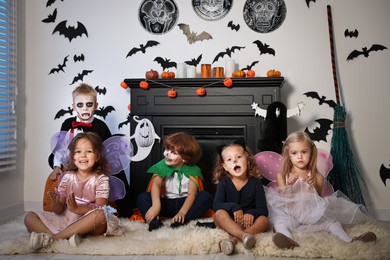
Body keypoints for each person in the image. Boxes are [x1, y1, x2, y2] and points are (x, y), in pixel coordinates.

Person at [266, 131, 377, 250]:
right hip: (290, 214)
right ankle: (289, 240)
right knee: (279, 224)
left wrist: (313, 185)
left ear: (311, 152)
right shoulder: (282, 175)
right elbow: (284, 198)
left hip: (310, 214)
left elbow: (317, 198)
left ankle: (349, 239)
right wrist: (289, 185)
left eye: (304, 152)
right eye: (294, 153)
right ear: (288, 154)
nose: (299, 156)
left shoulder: (317, 176)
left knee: (333, 222)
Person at [45, 83, 132, 217]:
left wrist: (98, 167)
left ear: (96, 106)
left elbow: (107, 151)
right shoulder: (68, 124)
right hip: (72, 162)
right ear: (73, 107)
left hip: (94, 164)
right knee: (61, 177)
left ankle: (122, 210)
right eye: (80, 105)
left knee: (113, 176)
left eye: (89, 105)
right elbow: (61, 148)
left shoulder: (100, 126)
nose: (85, 108)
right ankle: (64, 210)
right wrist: (57, 166)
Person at [25, 132, 123, 251]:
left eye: (89, 151)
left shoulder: (101, 179)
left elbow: (100, 207)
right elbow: (59, 209)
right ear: (73, 157)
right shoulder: (67, 177)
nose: (83, 155)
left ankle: (55, 237)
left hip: (89, 221)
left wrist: (77, 209)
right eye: (78, 152)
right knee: (29, 217)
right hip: (67, 219)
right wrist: (55, 204)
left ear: (97, 156)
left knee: (101, 215)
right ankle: (65, 236)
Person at [136, 131, 213, 231]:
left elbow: (192, 194)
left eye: (173, 152)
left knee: (205, 196)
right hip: (165, 204)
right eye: (167, 149)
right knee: (142, 197)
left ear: (184, 158)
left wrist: (182, 213)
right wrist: (156, 206)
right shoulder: (161, 166)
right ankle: (153, 222)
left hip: (185, 203)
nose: (167, 154)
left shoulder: (193, 170)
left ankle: (181, 221)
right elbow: (156, 185)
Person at [212, 138, 270, 255]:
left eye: (239, 157)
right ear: (225, 166)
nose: (234, 161)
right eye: (229, 159)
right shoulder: (224, 182)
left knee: (264, 221)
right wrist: (234, 207)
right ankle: (243, 235)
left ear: (247, 160)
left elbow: (263, 210)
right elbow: (216, 205)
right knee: (219, 214)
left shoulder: (256, 183)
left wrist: (251, 213)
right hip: (229, 220)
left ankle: (233, 241)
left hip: (248, 221)